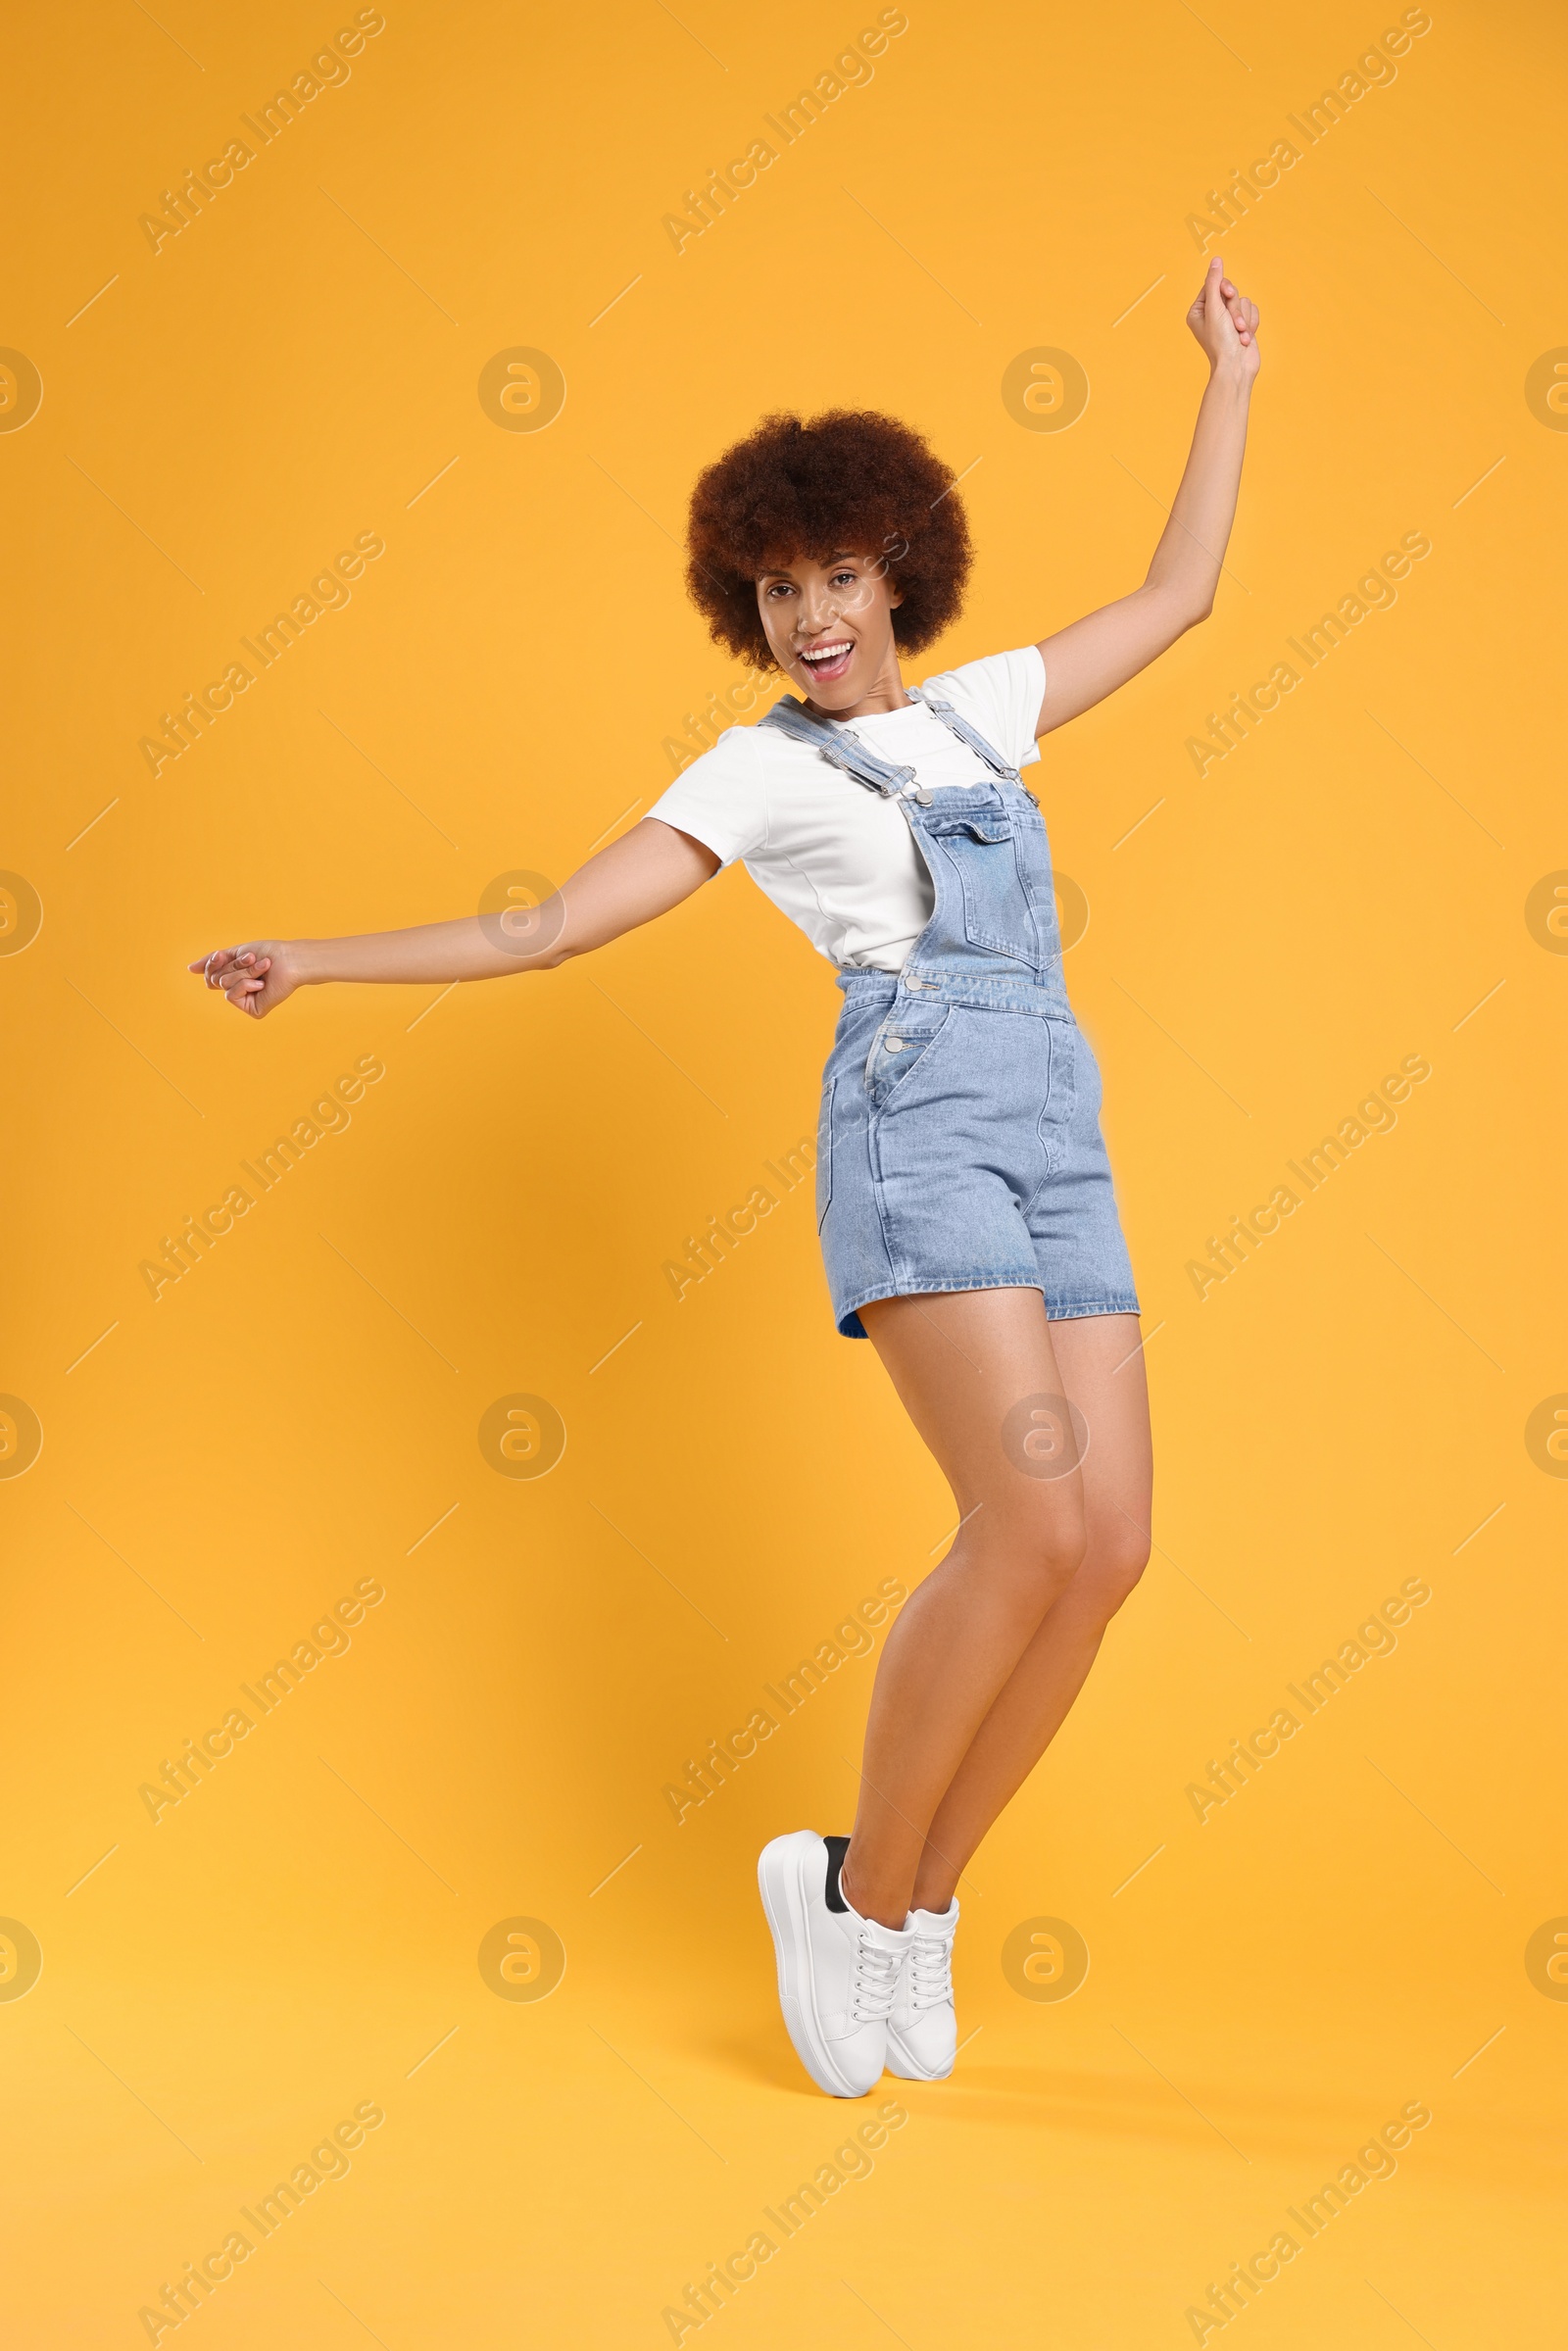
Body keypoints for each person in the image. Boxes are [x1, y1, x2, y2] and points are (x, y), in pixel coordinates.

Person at [192, 257, 1260, 2100]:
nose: (814, 616)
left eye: (840, 579)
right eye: (778, 590)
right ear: (745, 605)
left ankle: (897, 1904)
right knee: (1022, 1527)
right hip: (916, 1131)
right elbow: (552, 929)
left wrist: (1229, 374)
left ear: (897, 573)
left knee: (1109, 1554)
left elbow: (1181, 595)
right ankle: (857, 1895)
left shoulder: (985, 709)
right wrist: (322, 958)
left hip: (1057, 1138)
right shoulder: (754, 775)